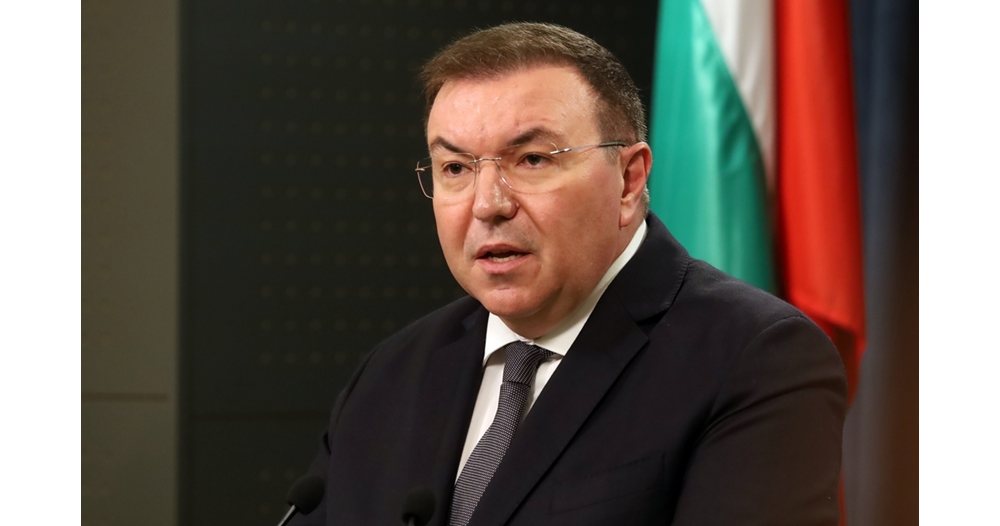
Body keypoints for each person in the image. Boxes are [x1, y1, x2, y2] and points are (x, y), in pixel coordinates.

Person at [290, 22, 846, 526]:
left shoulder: (754, 358)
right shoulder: (390, 374)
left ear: (628, 180)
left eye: (532, 160)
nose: (487, 205)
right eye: (456, 168)